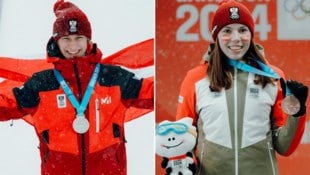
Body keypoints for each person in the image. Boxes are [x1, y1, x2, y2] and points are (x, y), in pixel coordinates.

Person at [0, 0, 153, 175]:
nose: (73, 46)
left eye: (79, 38)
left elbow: (153, 93)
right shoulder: (42, 84)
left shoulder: (113, 78)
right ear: (56, 41)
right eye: (66, 39)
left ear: (88, 40)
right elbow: (6, 105)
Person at [174, 0, 308, 175]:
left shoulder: (273, 77)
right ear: (216, 35)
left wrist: (296, 113)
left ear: (251, 34)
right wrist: (181, 164)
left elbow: (284, 147)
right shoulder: (195, 78)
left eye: (243, 30)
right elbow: (181, 137)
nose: (236, 38)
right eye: (227, 31)